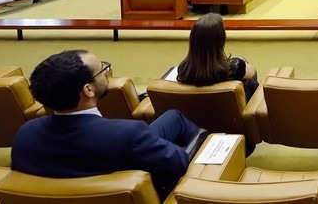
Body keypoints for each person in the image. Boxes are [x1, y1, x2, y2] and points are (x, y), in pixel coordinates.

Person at [11, 50, 205, 200]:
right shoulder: (127, 134)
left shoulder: (26, 133)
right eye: (103, 70)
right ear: (88, 90)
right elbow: (179, 163)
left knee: (174, 118)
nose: (106, 72)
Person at [177, 13, 258, 99]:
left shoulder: (183, 69)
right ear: (221, 39)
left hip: (196, 110)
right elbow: (253, 73)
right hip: (229, 111)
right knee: (250, 80)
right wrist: (241, 62)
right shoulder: (234, 68)